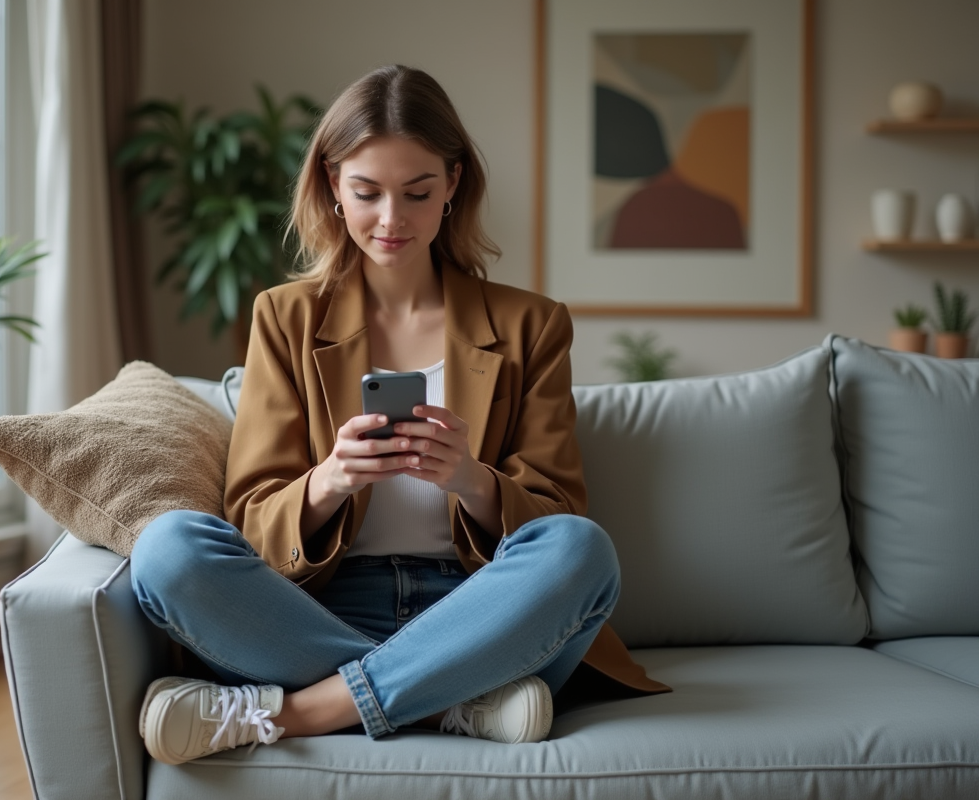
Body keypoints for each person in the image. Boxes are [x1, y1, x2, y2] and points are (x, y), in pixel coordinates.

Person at [130, 64, 667, 766]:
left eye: (417, 192)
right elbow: (252, 522)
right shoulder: (285, 318)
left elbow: (558, 513)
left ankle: (294, 714)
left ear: (452, 185)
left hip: (479, 615)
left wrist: (471, 480)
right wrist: (329, 482)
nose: (392, 219)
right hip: (317, 611)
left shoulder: (531, 324)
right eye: (367, 192)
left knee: (582, 550)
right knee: (167, 549)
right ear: (332, 186)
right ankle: (455, 702)